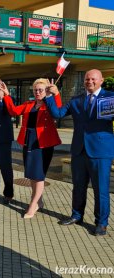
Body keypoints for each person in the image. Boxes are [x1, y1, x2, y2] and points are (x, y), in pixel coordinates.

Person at [45, 69, 114, 236]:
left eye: (93, 79)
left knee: (101, 189)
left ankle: (101, 223)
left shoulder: (110, 97)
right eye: (87, 79)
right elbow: (58, 113)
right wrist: (50, 96)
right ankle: (77, 215)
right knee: (78, 187)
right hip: (79, 150)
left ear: (101, 80)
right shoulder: (76, 100)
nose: (89, 81)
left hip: (100, 151)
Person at [3, 78, 62, 218]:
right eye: (35, 90)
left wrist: (56, 94)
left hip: (43, 143)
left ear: (46, 91)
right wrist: (6, 95)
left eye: (41, 90)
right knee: (31, 173)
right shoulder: (29, 104)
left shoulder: (50, 104)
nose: (37, 92)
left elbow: (58, 110)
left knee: (39, 175)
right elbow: (13, 111)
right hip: (29, 141)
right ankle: (39, 201)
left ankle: (33, 204)